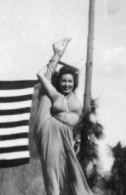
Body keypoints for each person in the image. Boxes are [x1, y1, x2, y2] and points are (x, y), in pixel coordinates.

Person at [34, 37, 93, 195]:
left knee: (72, 173)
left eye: (70, 82)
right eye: (64, 81)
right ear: (59, 82)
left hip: (68, 135)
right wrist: (57, 55)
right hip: (51, 132)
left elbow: (80, 123)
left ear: (74, 83)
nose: (67, 84)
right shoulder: (55, 96)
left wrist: (78, 137)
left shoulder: (76, 96)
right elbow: (41, 75)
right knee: (52, 171)